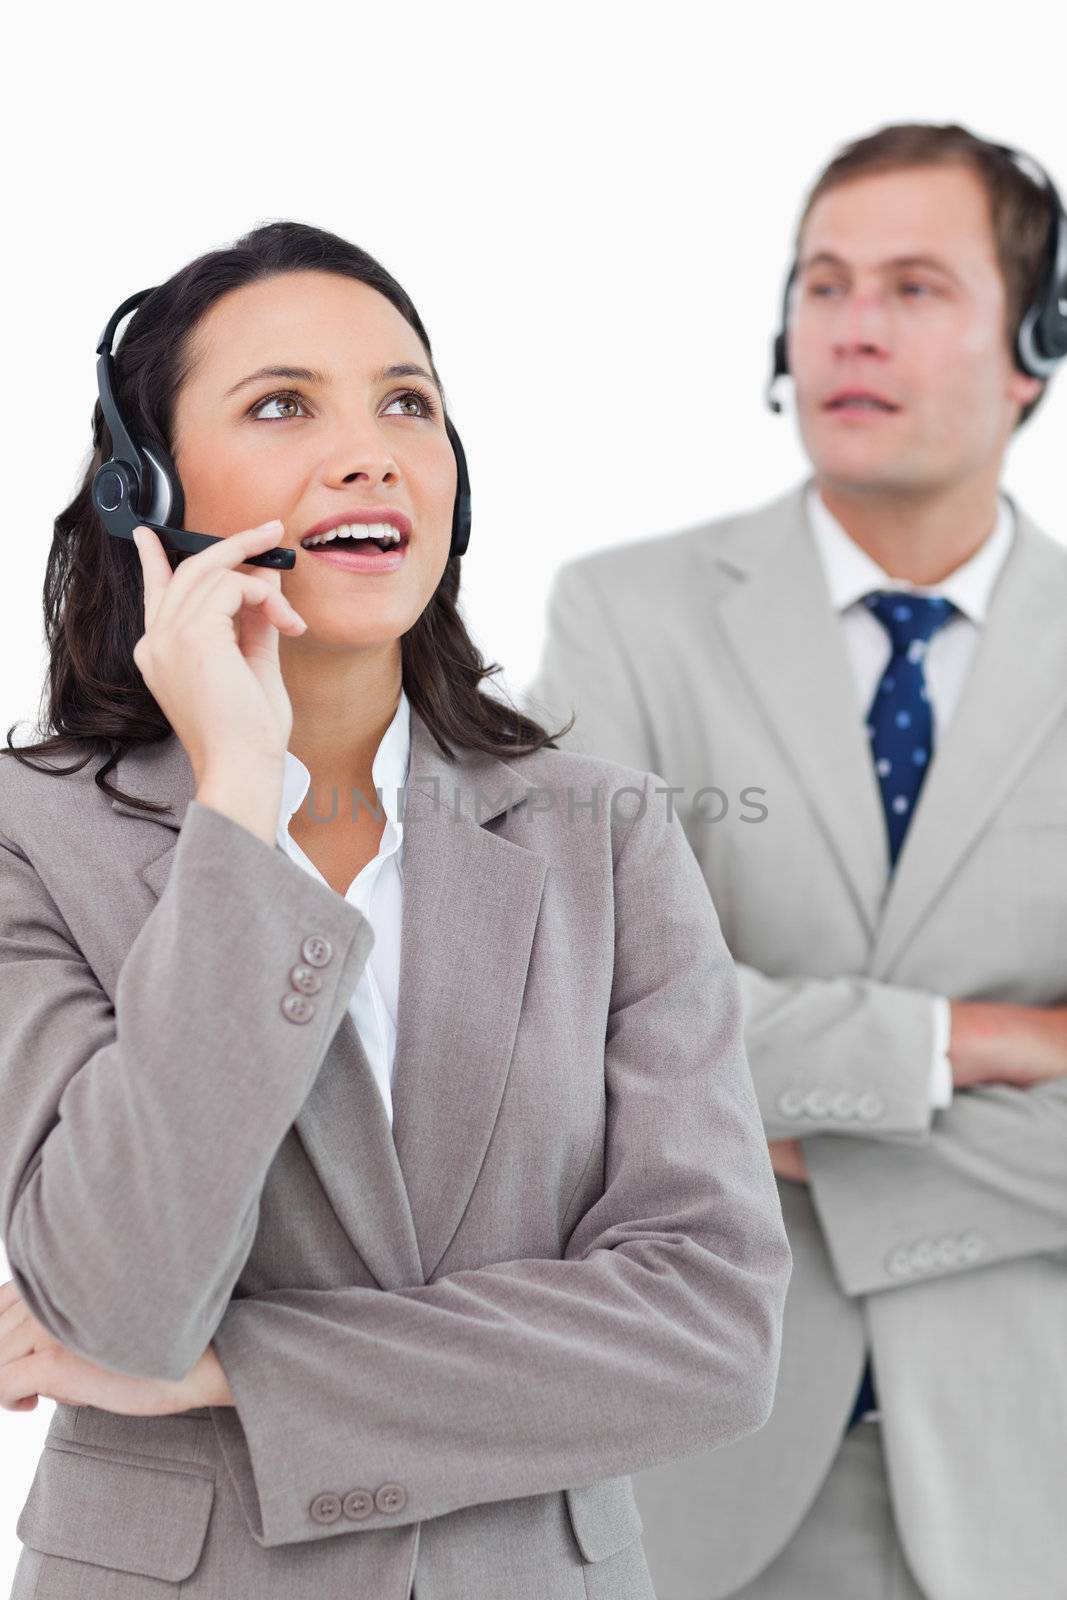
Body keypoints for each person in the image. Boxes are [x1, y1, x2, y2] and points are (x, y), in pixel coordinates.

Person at [0, 222, 792, 1600]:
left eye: (407, 403)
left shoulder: (605, 833)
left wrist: (239, 1371)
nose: (370, 450)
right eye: (282, 403)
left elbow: (713, 1330)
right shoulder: (31, 837)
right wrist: (237, 799)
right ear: (147, 490)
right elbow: (123, 1303)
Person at [526, 123, 1067, 1600]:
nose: (853, 327)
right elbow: (583, 1020)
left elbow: (675, 1072)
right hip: (695, 1461)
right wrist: (991, 1041)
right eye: (823, 285)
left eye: (911, 286)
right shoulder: (626, 617)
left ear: (1036, 343)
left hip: (1032, 1483)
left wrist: (774, 1134)